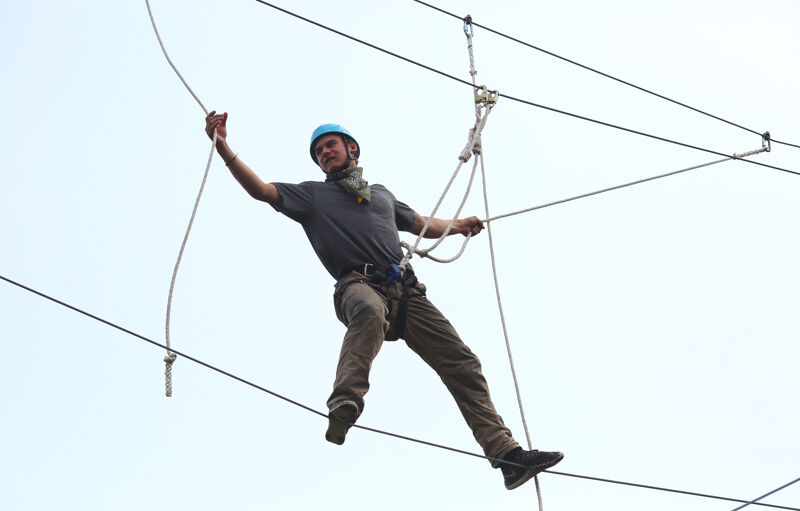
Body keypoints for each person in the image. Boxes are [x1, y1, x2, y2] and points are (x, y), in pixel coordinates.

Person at [204, 111, 563, 490]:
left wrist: (458, 226)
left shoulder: (381, 196)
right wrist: (223, 146)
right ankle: (345, 402)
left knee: (463, 362)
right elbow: (261, 190)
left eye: (330, 145)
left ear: (351, 149)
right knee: (369, 311)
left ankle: (507, 456)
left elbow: (421, 223)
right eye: (319, 151)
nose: (324, 153)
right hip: (358, 284)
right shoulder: (313, 196)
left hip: (407, 292)